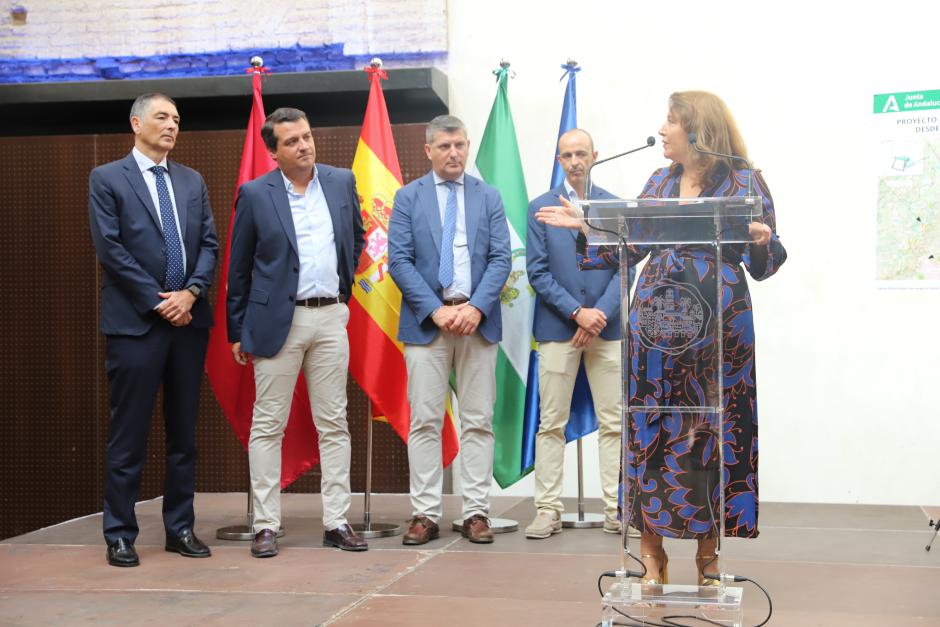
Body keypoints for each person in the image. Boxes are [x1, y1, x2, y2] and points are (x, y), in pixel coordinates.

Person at [536, 91, 786, 585]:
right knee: (651, 431)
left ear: (697, 130)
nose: (663, 130)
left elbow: (766, 261)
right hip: (655, 329)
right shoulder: (659, 180)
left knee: (711, 433)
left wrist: (763, 242)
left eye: (671, 122)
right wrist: (587, 225)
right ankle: (652, 555)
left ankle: (708, 560)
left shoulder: (744, 179)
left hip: (719, 327)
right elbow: (624, 248)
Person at [227, 107, 367, 557]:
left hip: (330, 316)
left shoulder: (341, 181)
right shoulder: (254, 194)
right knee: (268, 425)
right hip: (275, 323)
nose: (304, 146)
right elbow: (240, 266)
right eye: (292, 141)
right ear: (273, 152)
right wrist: (237, 329)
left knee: (335, 423)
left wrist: (342, 291)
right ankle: (267, 524)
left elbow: (356, 239)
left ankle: (337, 522)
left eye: (307, 137)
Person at [88, 93, 218, 567]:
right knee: (129, 434)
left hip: (189, 322)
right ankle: (119, 532)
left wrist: (192, 292)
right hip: (136, 325)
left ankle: (179, 527)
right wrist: (159, 301)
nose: (171, 125)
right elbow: (111, 249)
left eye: (177, 119)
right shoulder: (106, 178)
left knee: (183, 434)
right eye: (162, 117)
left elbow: (208, 242)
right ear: (136, 122)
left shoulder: (191, 180)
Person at [388, 114, 511, 545]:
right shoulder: (407, 197)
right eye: (444, 146)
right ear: (428, 150)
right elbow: (399, 261)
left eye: (459, 144)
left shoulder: (488, 196)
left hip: (477, 322)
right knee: (424, 420)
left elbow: (501, 259)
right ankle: (424, 513)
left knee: (478, 421)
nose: (454, 153)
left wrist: (476, 306)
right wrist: (435, 311)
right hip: (428, 324)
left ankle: (476, 512)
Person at [524, 128, 633, 539]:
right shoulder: (540, 208)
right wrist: (576, 313)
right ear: (558, 160)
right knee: (551, 422)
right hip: (558, 329)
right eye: (567, 155)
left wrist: (599, 315)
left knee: (614, 422)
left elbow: (627, 265)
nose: (574, 161)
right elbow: (537, 271)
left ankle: (617, 509)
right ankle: (547, 510)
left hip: (607, 329)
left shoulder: (615, 207)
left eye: (581, 153)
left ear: (595, 156)